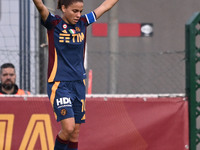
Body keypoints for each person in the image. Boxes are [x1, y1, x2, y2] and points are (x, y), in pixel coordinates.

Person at [32, 0, 119, 149]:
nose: (79, 15)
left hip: (78, 83)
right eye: (74, 11)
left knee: (75, 132)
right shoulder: (53, 23)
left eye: (80, 11)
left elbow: (105, 6)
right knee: (69, 127)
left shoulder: (83, 23)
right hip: (59, 84)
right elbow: (40, 5)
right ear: (64, 8)